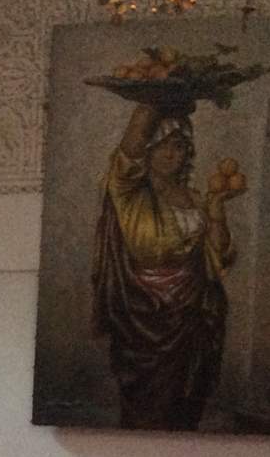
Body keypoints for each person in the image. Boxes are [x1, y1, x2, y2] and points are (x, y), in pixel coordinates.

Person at [90, 100, 245, 430]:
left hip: (193, 313)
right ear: (147, 149)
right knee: (147, 409)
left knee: (185, 406)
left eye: (179, 147)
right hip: (142, 316)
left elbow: (219, 256)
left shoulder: (195, 198)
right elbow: (130, 145)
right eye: (163, 146)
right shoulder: (128, 192)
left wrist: (216, 207)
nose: (172, 155)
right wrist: (154, 95)